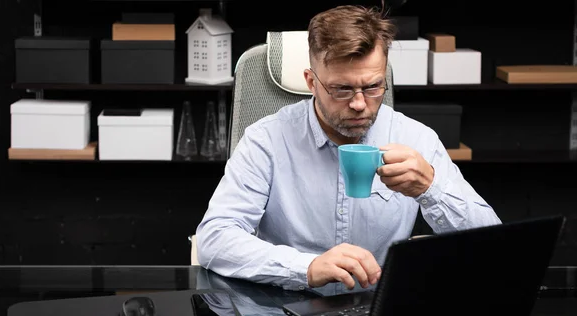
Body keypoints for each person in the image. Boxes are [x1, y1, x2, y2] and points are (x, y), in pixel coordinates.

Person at [195, 5, 501, 293]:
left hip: (378, 309)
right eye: (341, 89)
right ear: (311, 82)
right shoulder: (266, 140)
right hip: (286, 307)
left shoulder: (416, 138)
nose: (358, 104)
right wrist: (307, 267)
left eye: (372, 87)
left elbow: (493, 244)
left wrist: (430, 188)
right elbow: (215, 238)